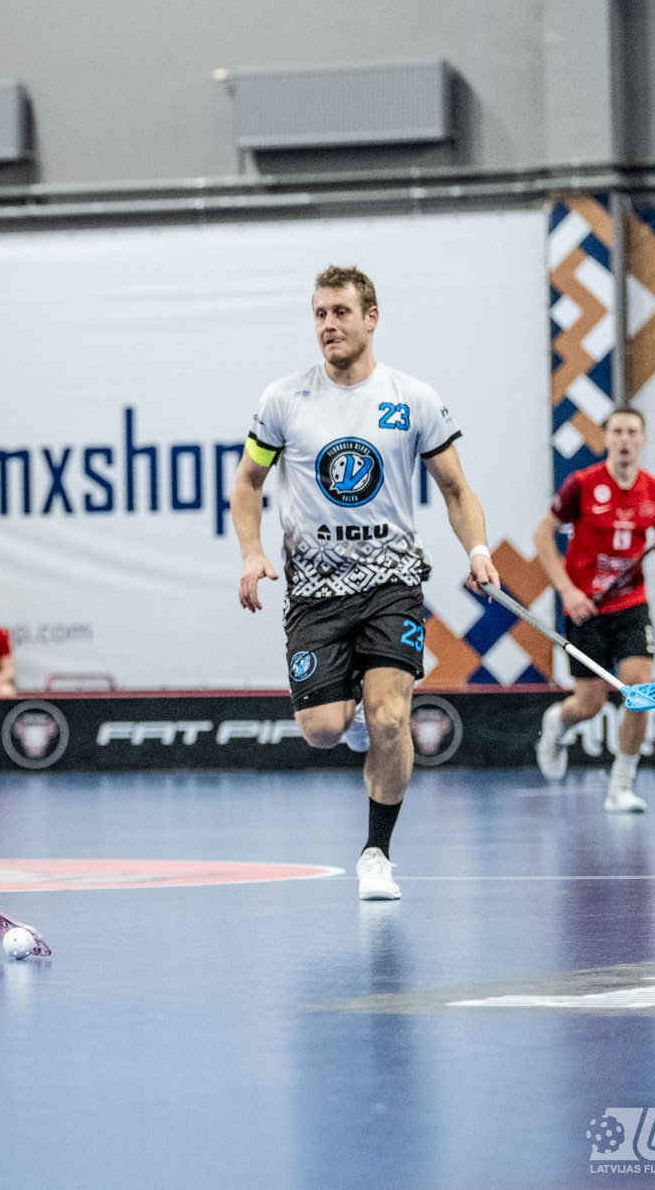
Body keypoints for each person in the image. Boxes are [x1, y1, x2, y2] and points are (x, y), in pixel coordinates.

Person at [230, 265, 498, 902]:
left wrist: (479, 550)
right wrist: (251, 553)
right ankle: (350, 724)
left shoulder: (414, 398)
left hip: (392, 582)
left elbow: (456, 490)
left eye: (341, 312)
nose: (328, 325)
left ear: (371, 318)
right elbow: (247, 481)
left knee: (391, 716)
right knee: (323, 729)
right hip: (314, 590)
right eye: (320, 314)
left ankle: (377, 852)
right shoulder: (283, 400)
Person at [532, 407, 655, 811]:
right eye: (617, 432)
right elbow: (542, 536)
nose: (625, 439)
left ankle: (620, 787)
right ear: (606, 438)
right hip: (586, 608)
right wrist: (567, 592)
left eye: (632, 432)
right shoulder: (581, 484)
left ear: (643, 439)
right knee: (589, 705)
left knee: (640, 691)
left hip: (631, 603)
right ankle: (556, 724)